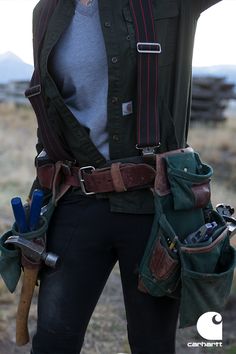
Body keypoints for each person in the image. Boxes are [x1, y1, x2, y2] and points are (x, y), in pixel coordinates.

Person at [27, 0, 222, 353]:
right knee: (53, 342)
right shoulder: (46, 11)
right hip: (76, 197)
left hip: (155, 207)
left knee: (153, 344)